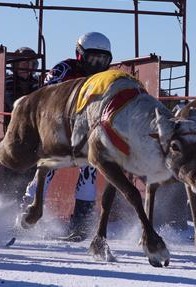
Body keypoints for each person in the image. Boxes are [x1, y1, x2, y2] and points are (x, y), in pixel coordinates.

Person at [22, 32, 113, 241]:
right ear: (80, 55)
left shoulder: (106, 78)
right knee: (48, 167)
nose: (97, 65)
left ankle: (81, 223)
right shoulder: (64, 69)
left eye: (103, 60)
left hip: (86, 131)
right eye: (92, 59)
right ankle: (26, 213)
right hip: (57, 127)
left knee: (90, 168)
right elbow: (47, 95)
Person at [1, 47, 39, 202]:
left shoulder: (37, 84)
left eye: (32, 66)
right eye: (24, 65)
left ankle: (22, 209)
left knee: (29, 175)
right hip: (10, 135)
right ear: (15, 66)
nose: (28, 70)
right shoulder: (8, 83)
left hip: (31, 138)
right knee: (8, 175)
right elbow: (13, 104)